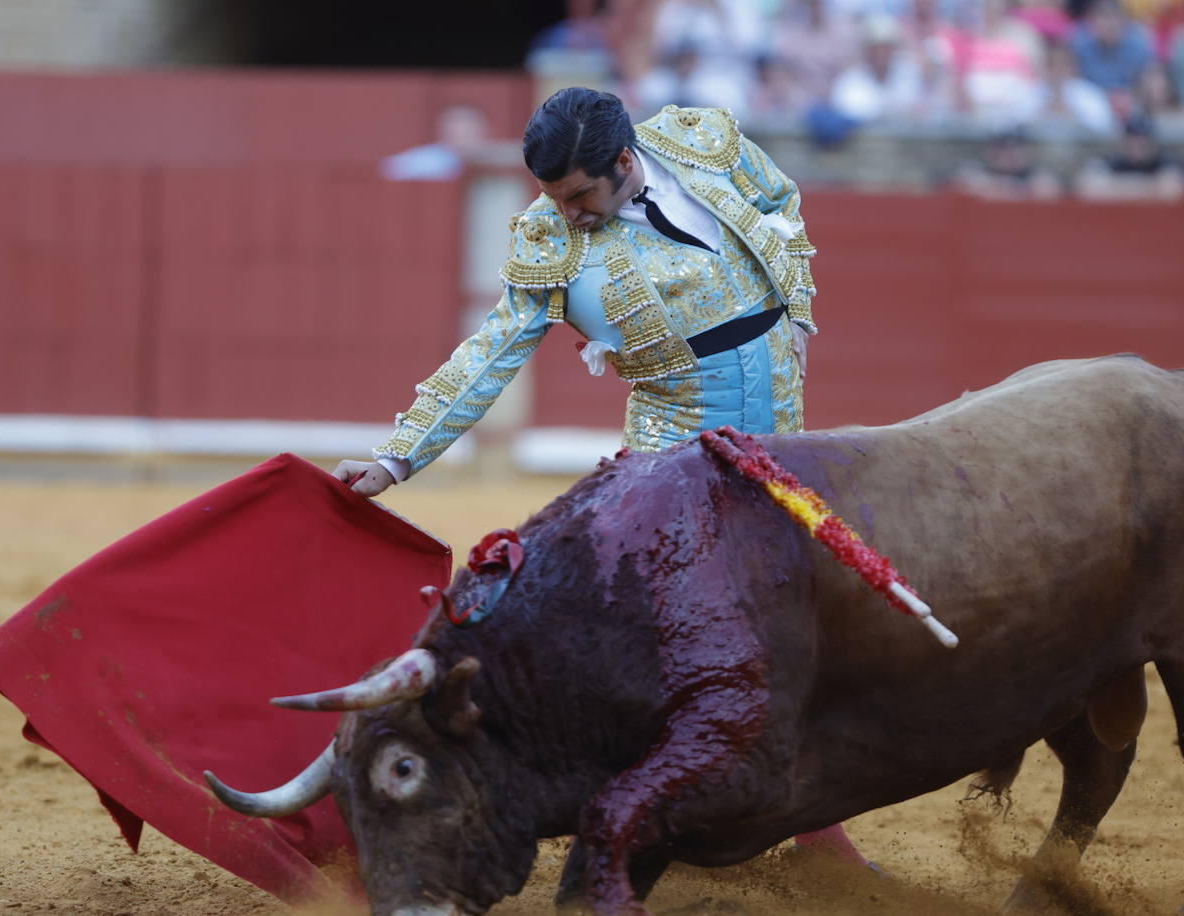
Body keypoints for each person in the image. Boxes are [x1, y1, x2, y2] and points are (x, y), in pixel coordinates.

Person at [333, 86, 873, 869]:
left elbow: (780, 202)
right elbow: (491, 352)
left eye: (581, 194)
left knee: (795, 607)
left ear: (626, 160)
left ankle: (813, 830)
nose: (568, 213)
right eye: (554, 197)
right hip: (671, 449)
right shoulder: (547, 240)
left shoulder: (701, 140)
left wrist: (799, 311)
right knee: (673, 622)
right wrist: (397, 456)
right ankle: (636, 806)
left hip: (782, 421)